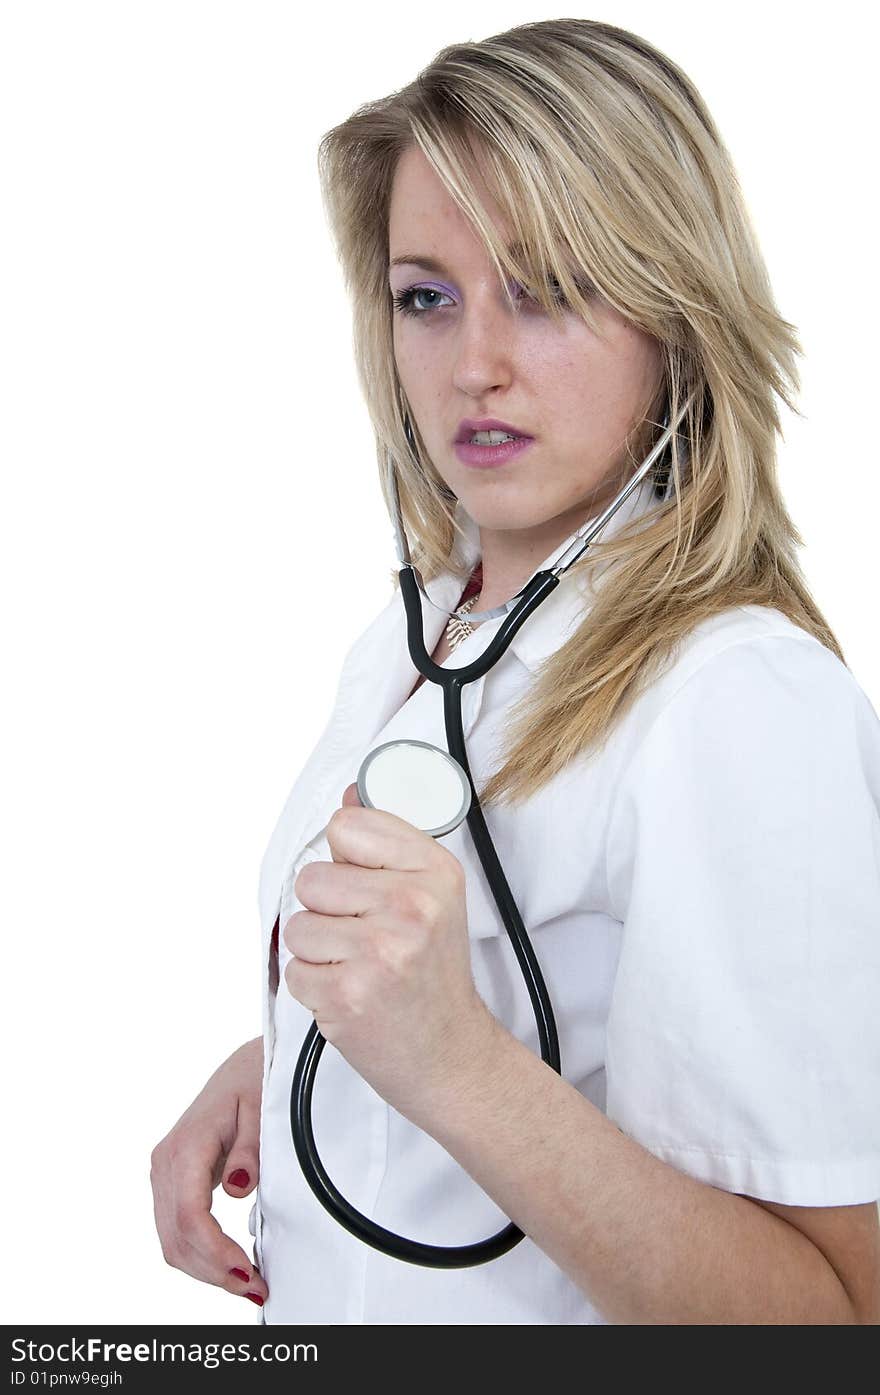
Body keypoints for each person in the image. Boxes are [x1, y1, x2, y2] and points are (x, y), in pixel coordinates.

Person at [150, 18, 880, 1324]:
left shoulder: (739, 706)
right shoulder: (420, 631)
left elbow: (832, 1322)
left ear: (675, 311)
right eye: (427, 294)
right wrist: (297, 1060)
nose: (472, 363)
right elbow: (525, 1010)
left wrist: (449, 1065)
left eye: (546, 288)